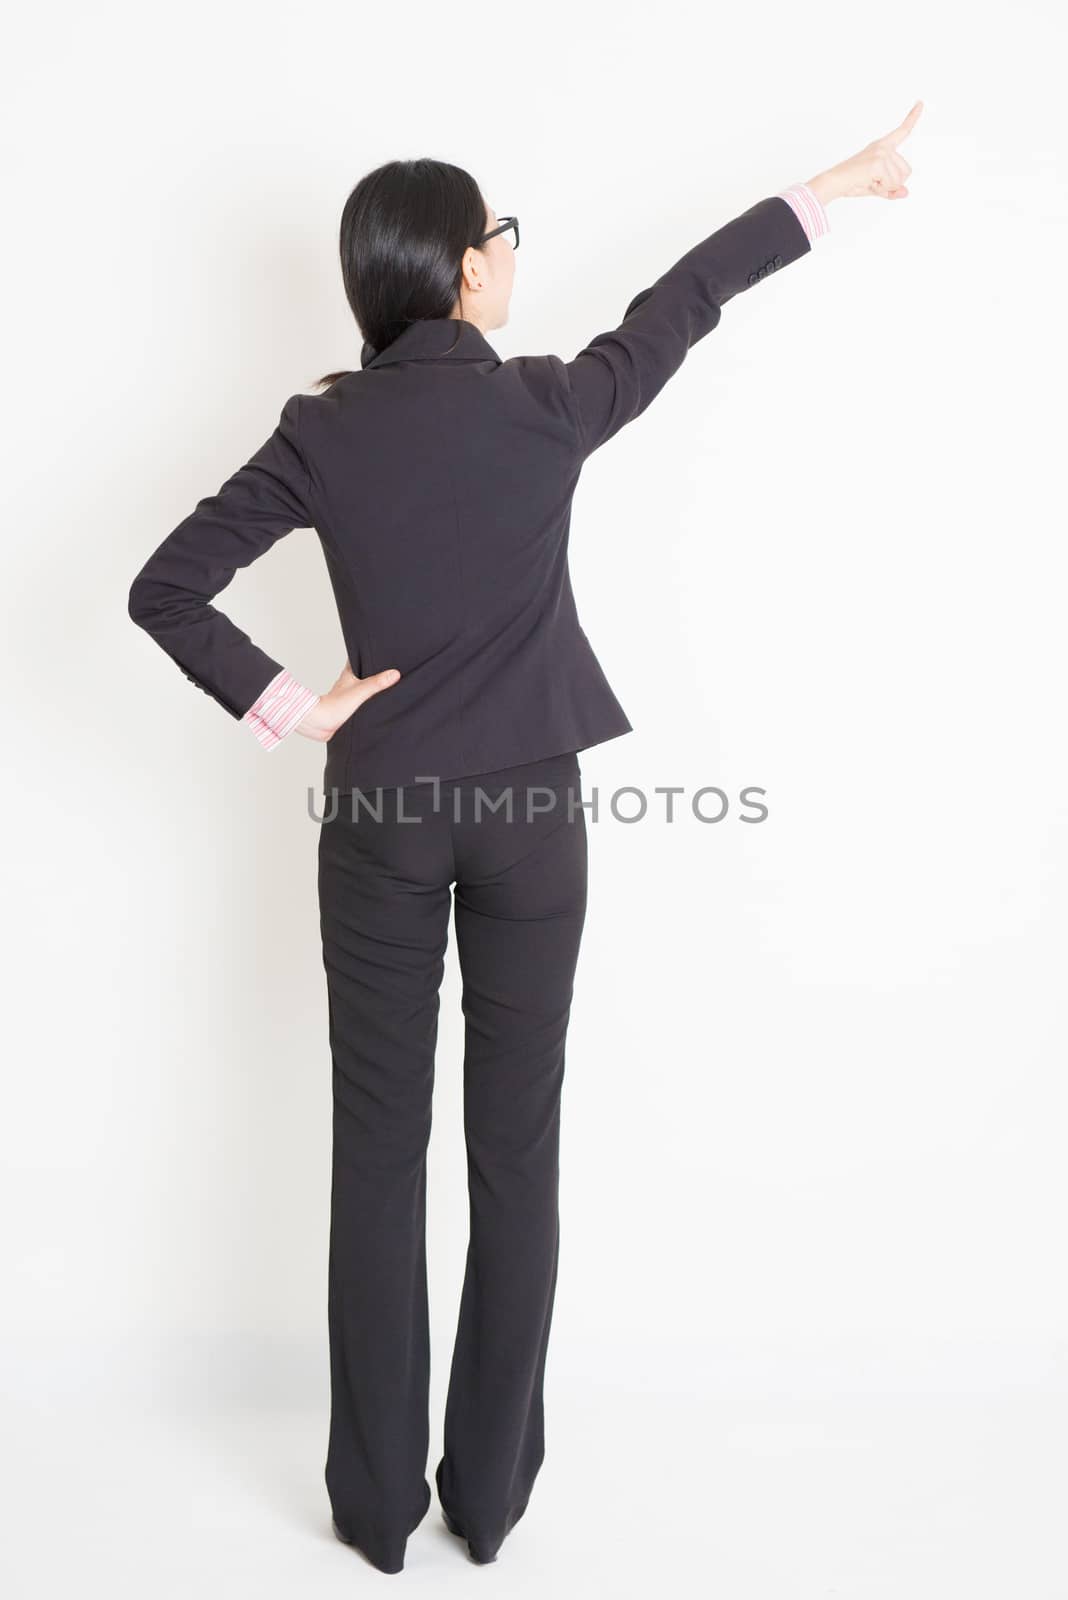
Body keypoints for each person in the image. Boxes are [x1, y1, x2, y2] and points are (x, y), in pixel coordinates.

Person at [127, 101, 923, 1575]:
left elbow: (163, 588)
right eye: (497, 234)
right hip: (533, 821)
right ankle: (484, 1500)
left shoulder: (320, 430)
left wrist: (297, 706)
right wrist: (830, 191)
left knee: (379, 1156)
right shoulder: (546, 403)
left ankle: (372, 1514)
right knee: (519, 1152)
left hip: (379, 810)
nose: (505, 254)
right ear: (461, 276)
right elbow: (681, 306)